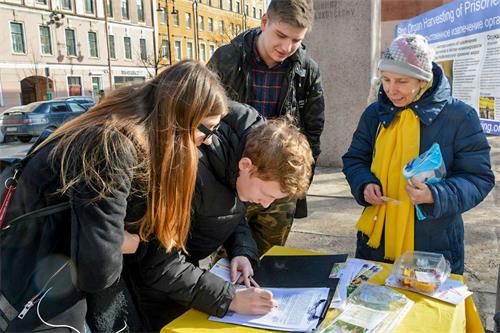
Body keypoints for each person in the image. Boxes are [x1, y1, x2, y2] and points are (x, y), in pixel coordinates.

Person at [1, 60, 228, 332]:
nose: (211, 140)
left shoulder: (120, 130)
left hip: (39, 268)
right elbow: (98, 271)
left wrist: (126, 241)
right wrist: (127, 243)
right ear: (180, 118)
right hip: (33, 283)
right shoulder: (111, 147)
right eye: (208, 129)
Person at [126, 102, 314, 331]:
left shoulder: (243, 157)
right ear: (246, 165)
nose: (266, 204)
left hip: (184, 274)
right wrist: (230, 298)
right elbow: (159, 264)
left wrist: (242, 251)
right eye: (266, 194)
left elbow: (231, 210)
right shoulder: (188, 171)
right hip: (145, 287)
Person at [342, 34, 494, 275]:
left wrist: (436, 194)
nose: (391, 89)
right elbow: (355, 159)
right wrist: (364, 184)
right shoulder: (375, 114)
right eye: (386, 79)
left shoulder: (460, 117)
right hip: (376, 241)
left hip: (433, 245)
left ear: (423, 81)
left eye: (401, 81)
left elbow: (478, 178)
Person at [207, 0, 325, 256]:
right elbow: (204, 113)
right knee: (229, 258)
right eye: (281, 35)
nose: (287, 47)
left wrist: (298, 184)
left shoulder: (307, 70)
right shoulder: (227, 58)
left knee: (269, 256)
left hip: (279, 184)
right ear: (264, 22)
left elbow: (313, 131)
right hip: (234, 176)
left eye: (296, 40)